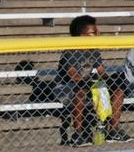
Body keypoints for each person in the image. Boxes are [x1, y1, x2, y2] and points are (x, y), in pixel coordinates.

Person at [55, 15, 130, 145]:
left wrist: (112, 79)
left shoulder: (93, 50)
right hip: (66, 88)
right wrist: (91, 82)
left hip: (87, 85)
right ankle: (78, 133)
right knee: (81, 90)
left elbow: (102, 73)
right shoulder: (71, 51)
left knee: (118, 88)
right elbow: (74, 76)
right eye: (94, 32)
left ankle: (113, 130)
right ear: (81, 35)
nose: (98, 35)